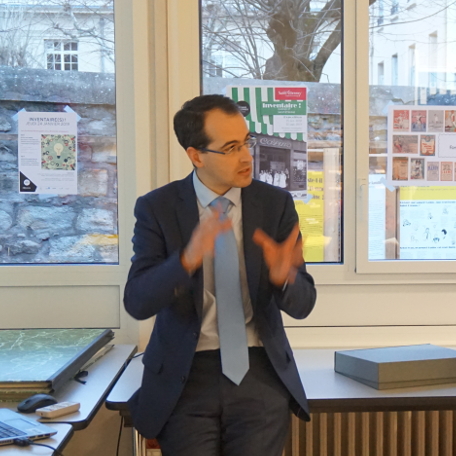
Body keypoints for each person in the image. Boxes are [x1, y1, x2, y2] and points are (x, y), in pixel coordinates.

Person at [123, 94, 316, 456]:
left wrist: (284, 278)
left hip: (259, 372)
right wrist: (187, 259)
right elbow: (137, 302)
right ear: (196, 155)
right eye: (230, 148)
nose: (246, 157)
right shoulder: (157, 208)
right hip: (185, 377)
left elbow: (304, 305)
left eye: (246, 142)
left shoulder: (275, 205)